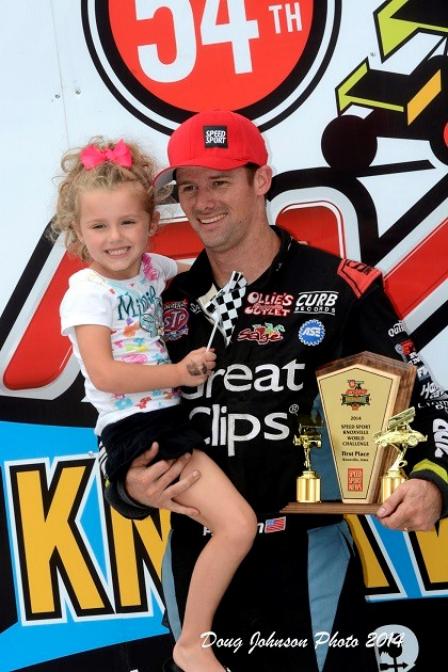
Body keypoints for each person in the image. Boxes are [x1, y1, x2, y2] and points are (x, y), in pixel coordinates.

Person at [105, 111, 448, 672]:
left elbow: (426, 403)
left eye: (220, 182)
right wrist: (129, 485)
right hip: (196, 561)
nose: (202, 201)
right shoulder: (158, 302)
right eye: (188, 187)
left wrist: (433, 483)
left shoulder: (336, 286)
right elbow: (120, 423)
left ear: (261, 180)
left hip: (305, 557)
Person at [52, 137, 258, 672]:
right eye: (99, 227)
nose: (115, 238)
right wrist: (180, 370)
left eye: (128, 223)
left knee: (229, 523)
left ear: (150, 223)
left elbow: (201, 273)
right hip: (135, 426)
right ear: (78, 233)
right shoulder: (86, 293)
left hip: (166, 417)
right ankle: (192, 642)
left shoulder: (154, 270)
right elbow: (104, 374)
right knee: (236, 526)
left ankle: (197, 638)